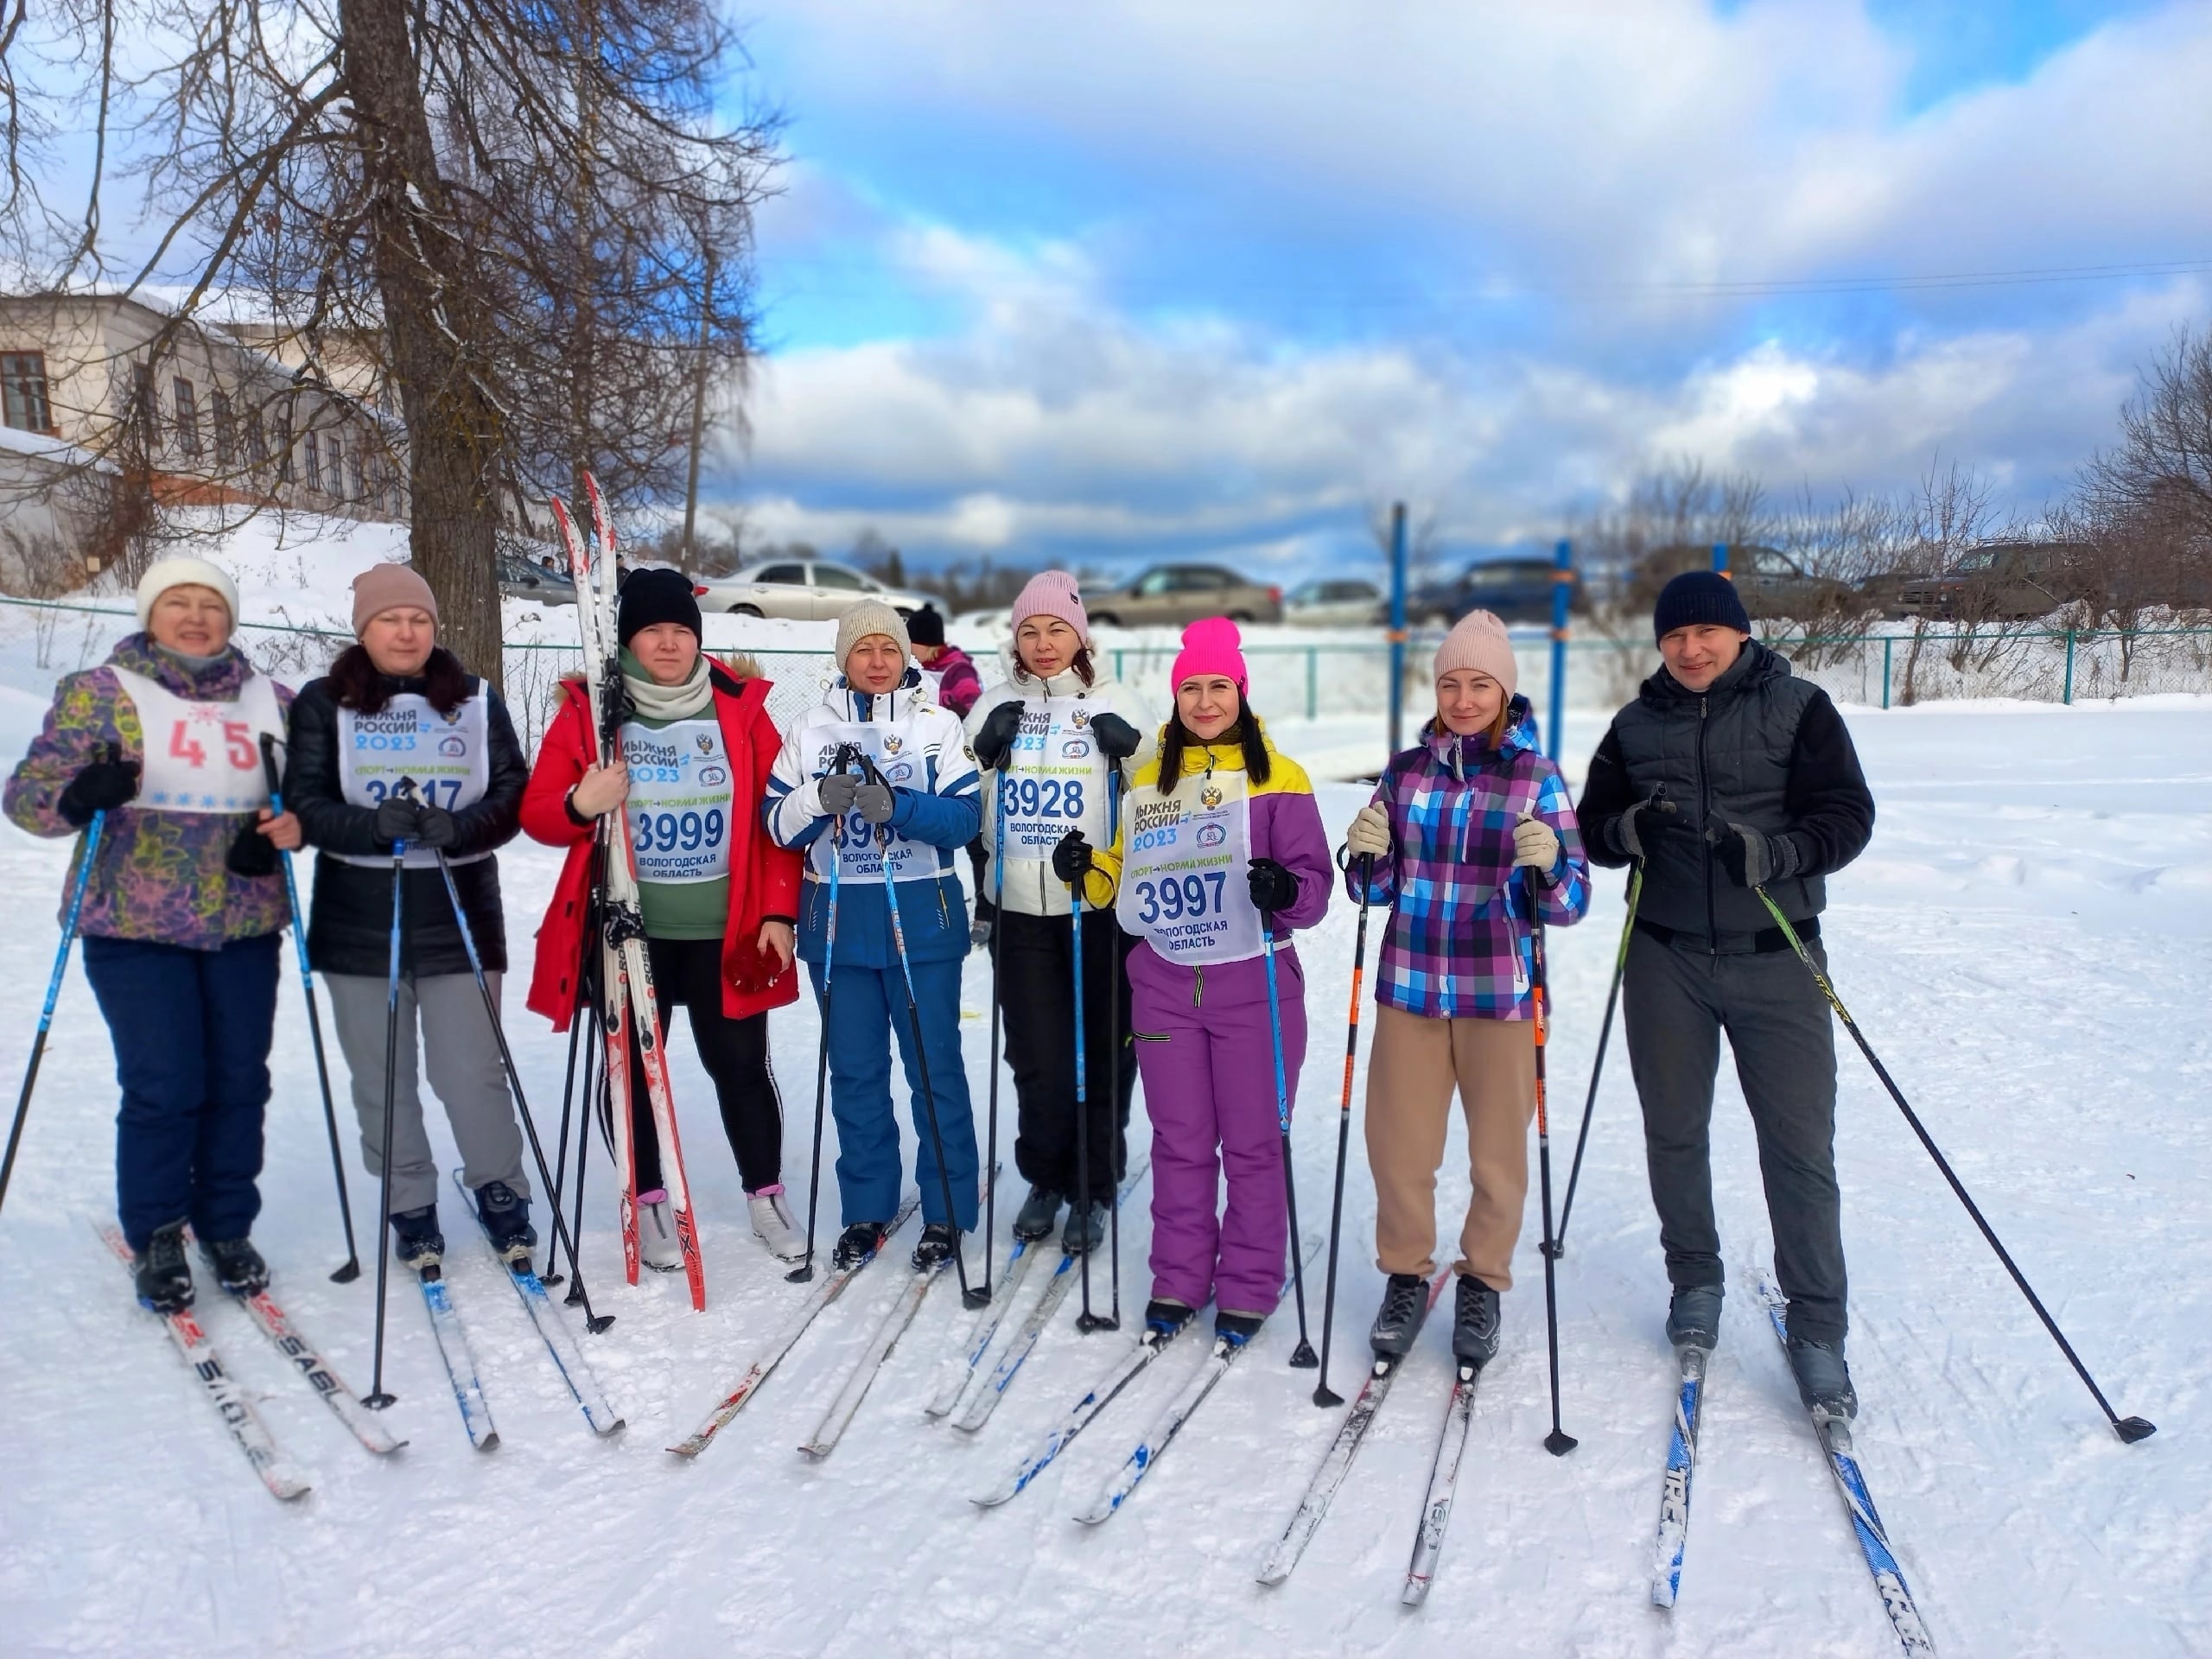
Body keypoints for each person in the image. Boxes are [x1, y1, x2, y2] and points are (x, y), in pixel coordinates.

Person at [1575, 570, 1875, 1416]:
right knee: (1674, 1131)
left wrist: (1772, 854)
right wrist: (1630, 830)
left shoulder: (1799, 707)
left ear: (1740, 633)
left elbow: (1847, 815)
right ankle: (1693, 1281)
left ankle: (1817, 1328)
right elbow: (1593, 827)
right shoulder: (1633, 726)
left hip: (1775, 954)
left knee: (1798, 1148)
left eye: (1707, 632)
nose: (1690, 648)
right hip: (1665, 958)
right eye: (1674, 636)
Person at [5, 558, 299, 1310]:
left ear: (231, 620)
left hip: (244, 920)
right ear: (151, 613)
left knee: (239, 1082)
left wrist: (288, 828)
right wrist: (78, 795)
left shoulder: (276, 700)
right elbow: (27, 800)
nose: (197, 617)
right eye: (179, 603)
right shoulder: (100, 695)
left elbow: (320, 793)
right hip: (133, 921)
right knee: (167, 1084)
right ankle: (160, 1231)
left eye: (212, 605)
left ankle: (227, 1225)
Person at [521, 568, 806, 1264]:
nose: (671, 644)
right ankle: (644, 1200)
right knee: (633, 1070)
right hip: (631, 930)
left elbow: (779, 820)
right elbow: (537, 813)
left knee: (740, 1065)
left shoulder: (738, 707)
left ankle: (764, 1195)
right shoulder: (591, 710)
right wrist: (580, 805)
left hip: (725, 928)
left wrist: (778, 912)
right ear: (628, 641)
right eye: (654, 631)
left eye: (682, 630)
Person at [1058, 618, 1331, 1343]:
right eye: (1190, 689)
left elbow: (1314, 889)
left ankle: (1247, 1283)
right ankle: (1178, 1278)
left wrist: (1283, 887)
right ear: (1175, 697)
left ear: (1240, 692)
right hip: (1166, 984)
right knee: (1179, 1141)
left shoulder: (1282, 778)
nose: (1204, 702)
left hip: (1256, 985)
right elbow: (1124, 880)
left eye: (1218, 687)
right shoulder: (1150, 778)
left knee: (1252, 1143)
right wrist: (1089, 870)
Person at [1342, 610, 1590, 1369]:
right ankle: (1406, 1274)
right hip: (1411, 986)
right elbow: (1372, 889)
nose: (1463, 697)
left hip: (1498, 993)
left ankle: (1482, 1277)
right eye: (1450, 682)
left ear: (1505, 693)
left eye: (1480, 683)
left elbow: (1572, 901)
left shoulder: (1535, 776)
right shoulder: (1406, 769)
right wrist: (1363, 852)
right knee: (1399, 1148)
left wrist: (1550, 865)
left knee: (1497, 1155)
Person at [283, 565, 535, 1269]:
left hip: (457, 913)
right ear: (363, 629)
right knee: (381, 1074)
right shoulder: (321, 702)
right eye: (390, 620)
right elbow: (302, 804)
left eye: (418, 619)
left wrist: (460, 829)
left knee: (471, 1071)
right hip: (360, 919)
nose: (406, 632)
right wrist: (370, 825)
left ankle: (501, 1190)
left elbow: (513, 794)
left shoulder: (475, 700)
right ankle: (409, 1201)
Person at [765, 601, 982, 1268]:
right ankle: (867, 1205)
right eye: (865, 650)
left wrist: (904, 808)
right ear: (845, 659)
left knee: (932, 1069)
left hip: (921, 919)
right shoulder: (809, 729)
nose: (880, 661)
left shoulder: (936, 725)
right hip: (838, 924)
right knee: (855, 1072)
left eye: (890, 648)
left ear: (907, 655)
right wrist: (814, 802)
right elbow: (776, 824)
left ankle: (946, 1210)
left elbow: (967, 818)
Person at [966, 571, 1156, 1250]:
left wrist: (1133, 752)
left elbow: (1163, 798)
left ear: (1079, 635)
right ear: (1014, 639)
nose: (1044, 644)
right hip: (1020, 912)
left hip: (1099, 909)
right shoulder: (994, 701)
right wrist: (983, 753)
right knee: (1037, 1057)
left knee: (1105, 1052)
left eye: (1056, 629)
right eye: (1030, 631)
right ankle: (1045, 1177)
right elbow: (962, 797)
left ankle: (1094, 1186)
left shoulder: (1120, 699)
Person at [906, 605, 982, 718]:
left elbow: (977, 710)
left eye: (910, 643)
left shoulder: (959, 671)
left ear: (925, 644)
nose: (907, 649)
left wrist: (959, 713)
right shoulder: (915, 668)